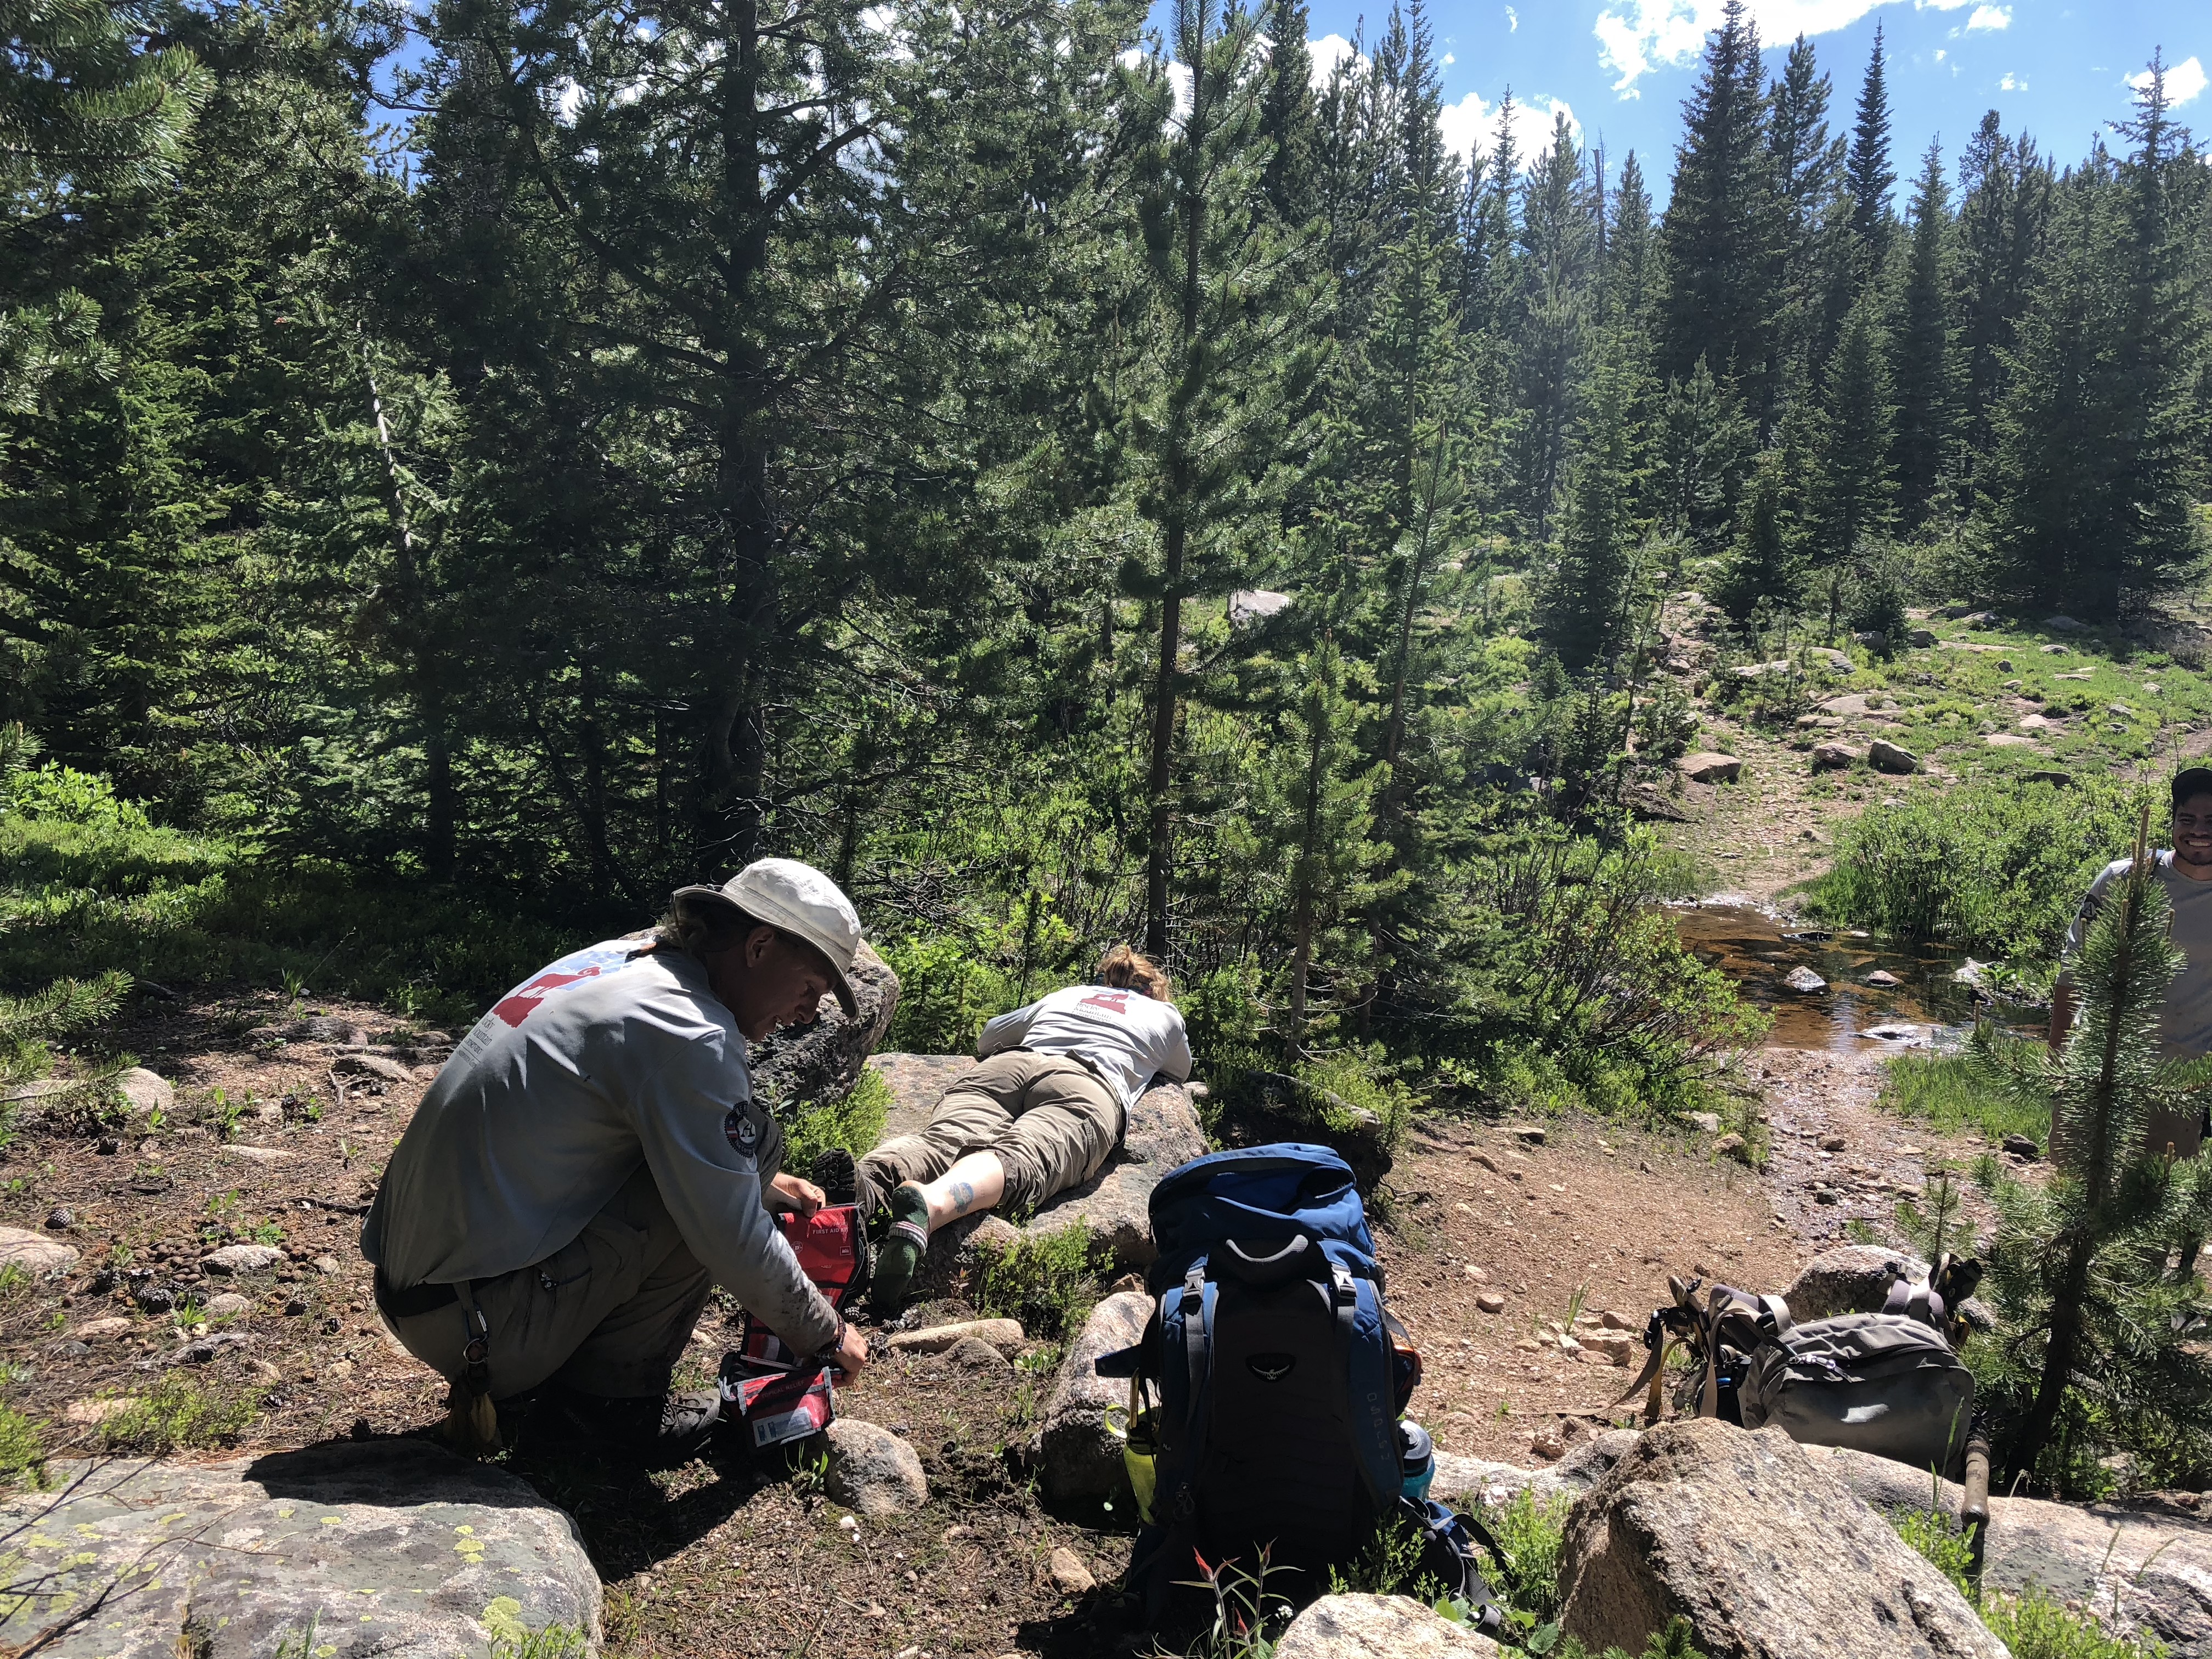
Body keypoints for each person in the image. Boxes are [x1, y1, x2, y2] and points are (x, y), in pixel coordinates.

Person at [362, 857, 873, 1464]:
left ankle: (565, 1374)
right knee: (748, 1150)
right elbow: (727, 1234)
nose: (807, 1013)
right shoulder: (691, 1032)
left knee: (742, 1164)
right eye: (810, 988)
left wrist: (756, 1183)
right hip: (480, 1330)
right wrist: (826, 1333)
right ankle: (608, 1412)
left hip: (425, 1289)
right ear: (760, 946)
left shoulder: (620, 962)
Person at [859, 945, 1192, 1313]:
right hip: (1087, 1083)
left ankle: (858, 1189)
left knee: (940, 1140)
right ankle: (933, 1204)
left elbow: (988, 1037)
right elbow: (1180, 1070)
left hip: (1010, 1066)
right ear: (1152, 988)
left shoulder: (1068, 994)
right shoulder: (1165, 1014)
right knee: (1023, 1157)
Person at [2049, 767, 2212, 1156]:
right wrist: (2057, 1055)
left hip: (2180, 1073)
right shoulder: (2127, 878)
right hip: (2099, 1056)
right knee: (2078, 1183)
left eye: (2211, 821)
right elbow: (2075, 966)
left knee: (2154, 1193)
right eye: (2187, 819)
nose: (2198, 831)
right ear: (2172, 823)